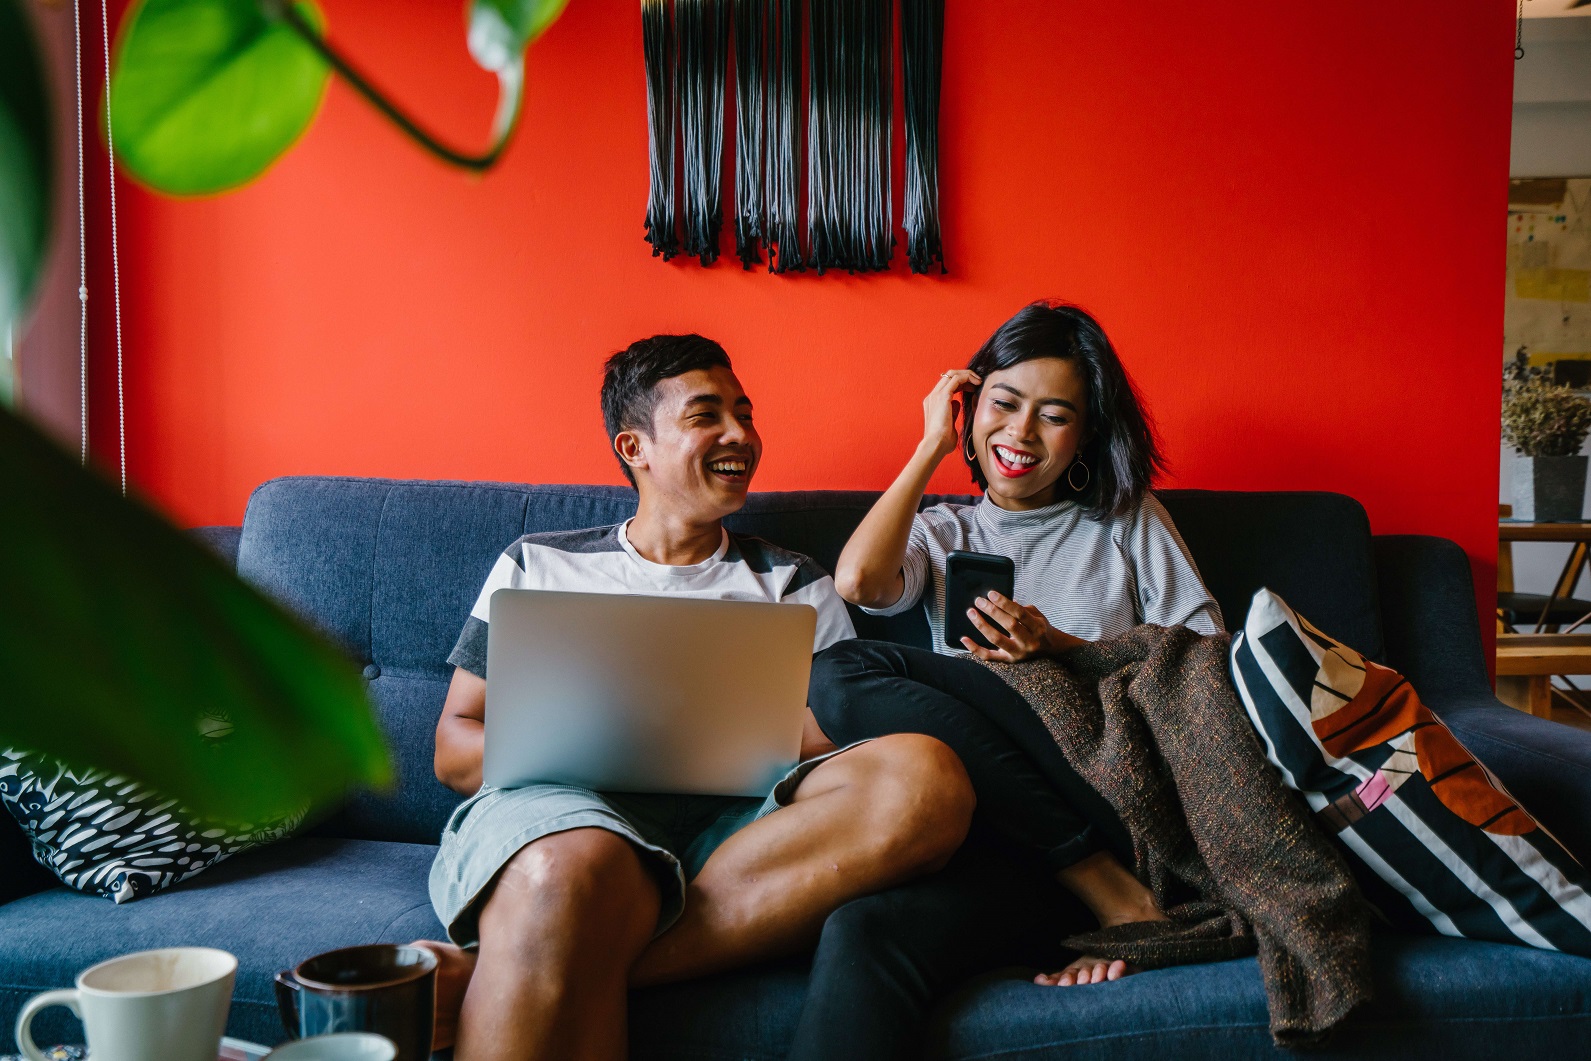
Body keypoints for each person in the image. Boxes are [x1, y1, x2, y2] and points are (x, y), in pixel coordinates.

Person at [413, 334, 976, 1061]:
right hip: (562, 823)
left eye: (744, 413)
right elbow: (454, 744)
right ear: (635, 446)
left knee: (922, 777)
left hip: (741, 832)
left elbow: (844, 732)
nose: (740, 434)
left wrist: (715, 731)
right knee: (575, 866)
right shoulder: (538, 563)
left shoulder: (792, 581)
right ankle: (561, 933)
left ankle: (526, 963)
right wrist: (598, 742)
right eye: (706, 415)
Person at [789, 300, 1223, 1058]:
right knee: (863, 929)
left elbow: (1206, 659)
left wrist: (1057, 645)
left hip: (1102, 781)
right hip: (997, 833)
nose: (1019, 434)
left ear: (1084, 433)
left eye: (1053, 415)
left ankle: (1110, 882)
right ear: (971, 407)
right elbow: (857, 581)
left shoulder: (1123, 517)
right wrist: (929, 443)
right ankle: (1109, 900)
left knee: (841, 672)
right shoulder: (943, 530)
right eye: (1003, 403)